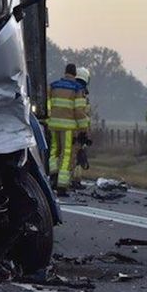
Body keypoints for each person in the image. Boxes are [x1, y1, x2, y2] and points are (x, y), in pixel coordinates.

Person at [47, 64, 87, 195]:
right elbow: (79, 111)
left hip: (53, 124)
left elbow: (48, 104)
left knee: (54, 150)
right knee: (66, 154)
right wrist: (83, 128)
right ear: (75, 74)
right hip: (68, 127)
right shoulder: (77, 88)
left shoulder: (54, 86)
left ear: (65, 72)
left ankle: (53, 174)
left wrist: (48, 119)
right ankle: (62, 186)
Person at [71, 67, 92, 187]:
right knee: (76, 154)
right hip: (78, 128)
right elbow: (83, 114)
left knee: (75, 154)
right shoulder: (81, 94)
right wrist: (85, 132)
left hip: (74, 127)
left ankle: (75, 179)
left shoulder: (72, 90)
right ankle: (74, 180)